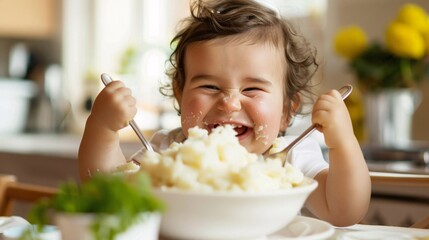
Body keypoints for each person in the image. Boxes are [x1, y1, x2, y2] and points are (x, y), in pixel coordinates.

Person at [78, 0, 371, 227]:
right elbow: (106, 193)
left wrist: (343, 143)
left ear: (287, 110)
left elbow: (345, 211)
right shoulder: (166, 153)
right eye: (209, 86)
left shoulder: (290, 157)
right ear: (180, 94)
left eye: (252, 89)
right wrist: (102, 129)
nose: (230, 103)